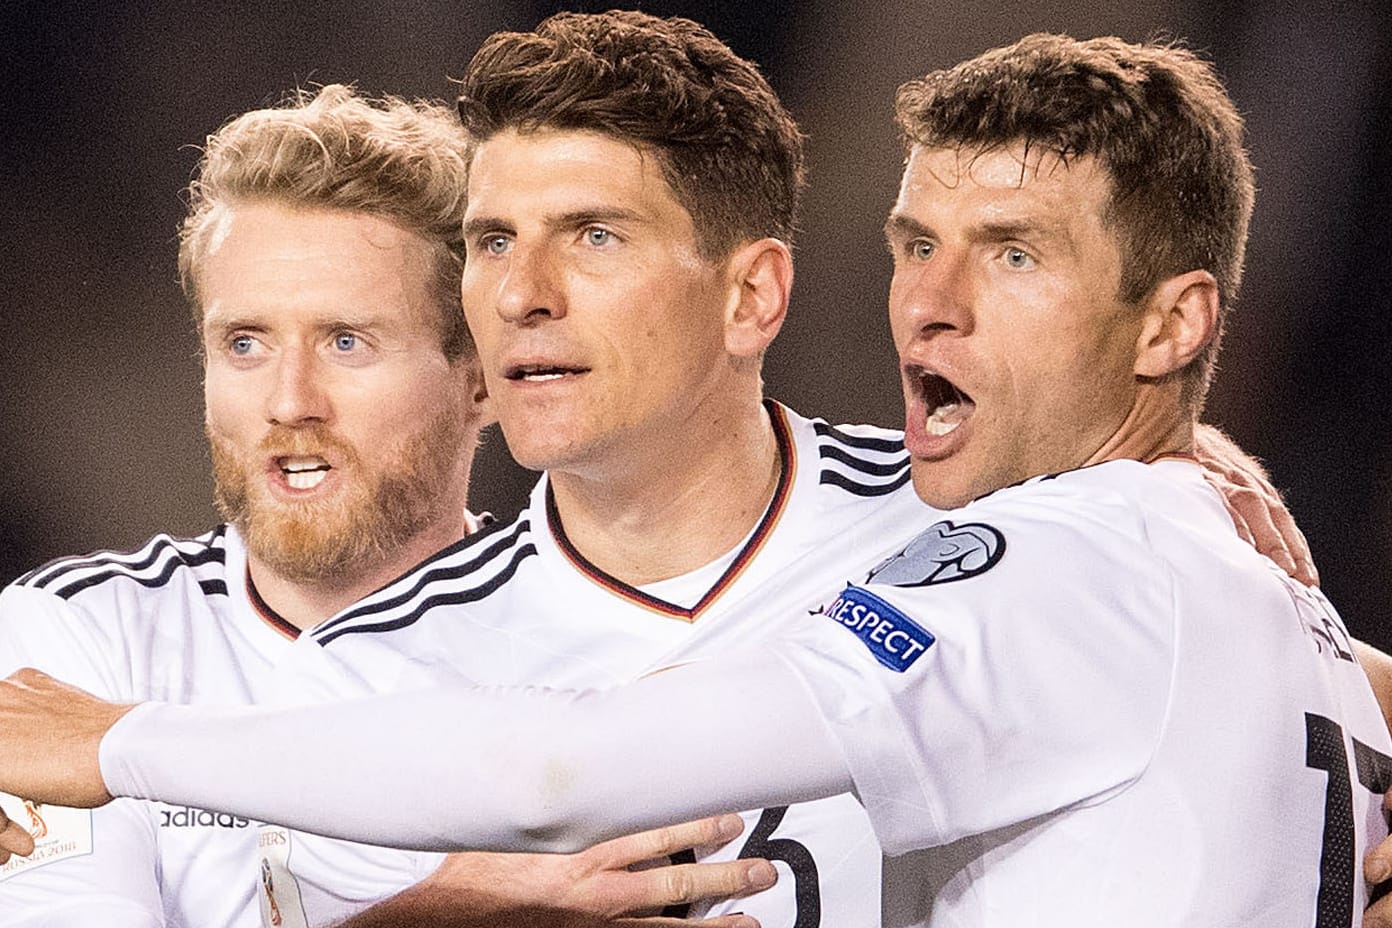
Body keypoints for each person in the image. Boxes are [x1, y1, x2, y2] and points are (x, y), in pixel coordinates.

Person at [0, 22, 1376, 925]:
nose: (527, 294)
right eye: (489, 243)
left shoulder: (981, 539)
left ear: (751, 294)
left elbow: (559, 768)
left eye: (591, 237)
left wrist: (114, 740)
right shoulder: (355, 684)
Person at [0, 84, 768, 927]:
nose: (290, 402)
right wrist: (446, 915)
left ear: (480, 379)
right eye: (245, 344)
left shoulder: (618, 652)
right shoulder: (74, 642)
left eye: (346, 343)